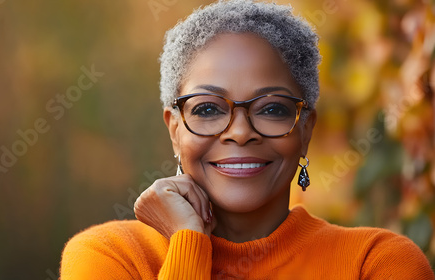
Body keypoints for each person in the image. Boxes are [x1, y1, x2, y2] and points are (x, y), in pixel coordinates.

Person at [60, 0, 435, 279]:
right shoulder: (110, 257)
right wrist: (189, 243)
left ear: (306, 131)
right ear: (175, 130)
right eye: (207, 109)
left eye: (272, 109)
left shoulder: (377, 262)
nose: (240, 132)